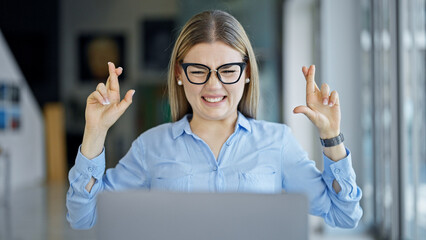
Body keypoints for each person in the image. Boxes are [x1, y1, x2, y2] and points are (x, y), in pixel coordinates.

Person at [66, 10, 362, 230]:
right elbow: (83, 217)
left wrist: (331, 137)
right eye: (198, 70)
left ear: (246, 73)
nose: (213, 85)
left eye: (228, 70)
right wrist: (95, 131)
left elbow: (345, 214)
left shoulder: (278, 142)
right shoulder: (150, 147)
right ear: (180, 75)